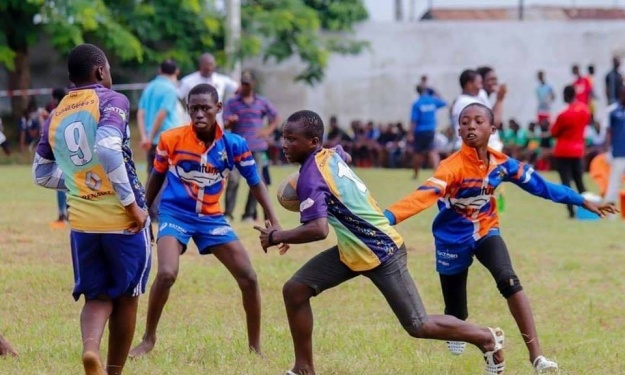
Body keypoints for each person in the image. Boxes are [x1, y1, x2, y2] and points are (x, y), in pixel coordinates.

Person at [255, 110, 507, 375]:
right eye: (283, 138)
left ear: (313, 142)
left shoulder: (310, 176)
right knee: (295, 290)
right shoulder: (329, 154)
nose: (284, 145)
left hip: (381, 249)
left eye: (292, 139)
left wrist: (277, 236)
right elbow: (344, 154)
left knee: (418, 324)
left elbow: (318, 230)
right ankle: (304, 368)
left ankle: (486, 337)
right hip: (354, 250)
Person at [383, 103, 616, 374]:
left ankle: (537, 358)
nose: (471, 125)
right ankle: (458, 327)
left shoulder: (503, 165)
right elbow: (421, 196)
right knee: (457, 311)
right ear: (459, 130)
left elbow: (543, 187)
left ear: (492, 129)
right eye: (465, 121)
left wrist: (582, 201)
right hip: (451, 240)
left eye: (478, 121)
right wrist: (385, 218)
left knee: (509, 279)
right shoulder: (451, 167)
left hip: (486, 230)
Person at [129, 83, 286, 358]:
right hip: (175, 214)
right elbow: (156, 176)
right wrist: (142, 211)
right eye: (194, 109)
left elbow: (255, 182)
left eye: (205, 108)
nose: (199, 114)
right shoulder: (170, 139)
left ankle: (255, 348)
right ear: (188, 110)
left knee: (249, 277)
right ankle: (148, 338)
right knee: (166, 273)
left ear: (218, 109)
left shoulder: (234, 144)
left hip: (212, 217)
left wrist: (273, 218)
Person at [32, 43, 151, 375]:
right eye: (108, 68)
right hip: (122, 221)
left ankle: (90, 350)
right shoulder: (112, 100)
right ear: (100, 71)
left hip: (83, 221)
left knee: (96, 296)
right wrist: (132, 206)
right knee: (127, 296)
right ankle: (113, 371)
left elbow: (40, 174)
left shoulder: (56, 113)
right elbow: (108, 150)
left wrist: (79, 182)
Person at [223, 70, 281, 223]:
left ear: (253, 84)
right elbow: (224, 122)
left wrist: (267, 131)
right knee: (233, 180)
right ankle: (228, 213)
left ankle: (248, 214)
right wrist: (230, 121)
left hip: (257, 147)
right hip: (237, 147)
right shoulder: (232, 102)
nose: (245, 86)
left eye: (247, 84)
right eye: (243, 83)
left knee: (256, 181)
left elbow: (275, 117)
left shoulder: (262, 101)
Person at [551, 85, 590, 218]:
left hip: (563, 151)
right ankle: (586, 210)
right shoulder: (585, 110)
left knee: (566, 183)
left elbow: (554, 132)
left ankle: (571, 212)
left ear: (566, 95)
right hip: (578, 150)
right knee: (580, 182)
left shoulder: (563, 114)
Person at [178, 53, 238, 125]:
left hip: (216, 125)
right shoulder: (188, 81)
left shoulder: (221, 80)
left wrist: (231, 112)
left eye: (211, 64)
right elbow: (178, 98)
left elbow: (238, 89)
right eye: (206, 65)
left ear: (215, 65)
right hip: (192, 124)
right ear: (200, 65)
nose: (209, 67)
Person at [409, 85, 447, 179]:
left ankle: (416, 174)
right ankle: (438, 174)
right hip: (430, 130)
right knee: (433, 152)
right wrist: (435, 92)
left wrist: (410, 133)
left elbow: (414, 120)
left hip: (420, 131)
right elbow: (444, 102)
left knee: (418, 153)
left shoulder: (417, 103)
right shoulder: (432, 100)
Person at [604, 86, 625, 207]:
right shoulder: (613, 110)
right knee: (614, 184)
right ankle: (610, 211)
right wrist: (607, 150)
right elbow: (608, 131)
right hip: (618, 153)